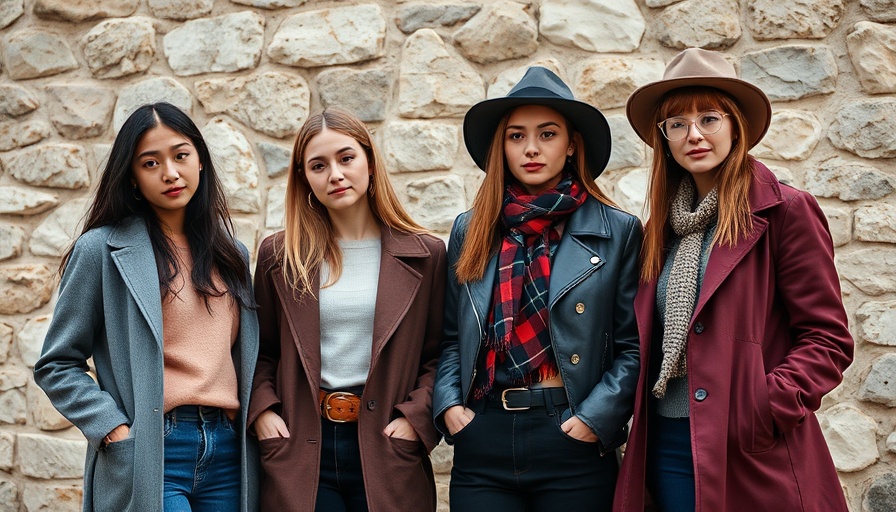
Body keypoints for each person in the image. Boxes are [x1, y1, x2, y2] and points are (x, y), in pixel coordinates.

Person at [613, 48, 854, 512]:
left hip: (749, 447)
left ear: (735, 124)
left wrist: (761, 408)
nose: (694, 134)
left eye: (709, 117)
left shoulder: (784, 211)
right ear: (663, 138)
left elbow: (827, 339)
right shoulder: (656, 233)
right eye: (677, 124)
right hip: (665, 444)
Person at [432, 66, 642, 511]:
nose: (531, 148)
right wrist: (451, 409)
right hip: (482, 435)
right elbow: (452, 338)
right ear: (501, 148)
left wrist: (592, 419)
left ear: (571, 146)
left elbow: (632, 347)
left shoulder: (618, 230)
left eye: (547, 134)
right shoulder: (470, 231)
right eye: (516, 136)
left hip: (571, 437)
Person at [33, 102, 259, 512]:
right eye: (150, 163)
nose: (170, 173)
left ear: (201, 161)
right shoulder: (102, 249)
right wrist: (113, 428)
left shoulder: (233, 255)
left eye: (181, 155)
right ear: (133, 178)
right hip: (154, 448)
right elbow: (57, 363)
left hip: (228, 451)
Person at [249, 107, 446, 511]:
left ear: (370, 163)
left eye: (346, 158)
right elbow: (258, 350)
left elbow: (442, 353)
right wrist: (264, 413)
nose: (335, 174)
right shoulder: (279, 257)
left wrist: (415, 418)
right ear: (304, 179)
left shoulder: (426, 255)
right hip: (301, 446)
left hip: (387, 447)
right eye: (318, 166)